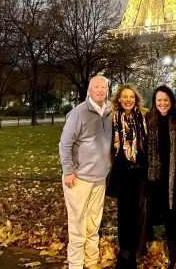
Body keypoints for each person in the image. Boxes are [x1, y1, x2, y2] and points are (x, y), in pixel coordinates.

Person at [59, 75, 112, 269]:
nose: (100, 90)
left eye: (103, 87)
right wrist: (68, 171)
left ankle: (91, 261)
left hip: (99, 178)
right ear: (89, 90)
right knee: (77, 223)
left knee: (93, 223)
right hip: (78, 179)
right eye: (96, 87)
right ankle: (76, 264)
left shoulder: (109, 112)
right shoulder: (78, 113)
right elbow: (65, 144)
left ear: (107, 90)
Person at [106, 83, 148, 269]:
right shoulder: (112, 117)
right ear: (119, 99)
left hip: (140, 170)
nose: (128, 100)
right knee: (124, 212)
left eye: (131, 96)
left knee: (140, 211)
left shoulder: (144, 115)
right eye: (125, 97)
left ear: (136, 99)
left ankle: (138, 250)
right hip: (122, 169)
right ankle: (125, 253)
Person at [147, 85, 176, 269]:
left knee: (175, 219)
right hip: (157, 179)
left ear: (171, 100)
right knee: (163, 217)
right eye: (159, 100)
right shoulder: (151, 119)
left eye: (165, 99)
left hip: (175, 178)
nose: (162, 103)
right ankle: (170, 254)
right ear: (155, 102)